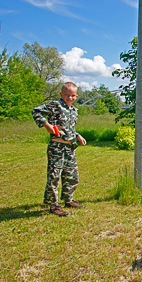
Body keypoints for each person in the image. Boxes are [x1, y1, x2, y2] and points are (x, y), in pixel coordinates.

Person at [32, 82, 87, 216]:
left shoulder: (73, 110)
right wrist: (47, 125)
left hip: (70, 147)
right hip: (57, 146)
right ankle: (54, 205)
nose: (70, 98)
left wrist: (78, 136)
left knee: (72, 176)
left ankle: (68, 199)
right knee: (54, 176)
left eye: (73, 95)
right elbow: (36, 111)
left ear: (76, 96)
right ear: (61, 94)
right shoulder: (55, 105)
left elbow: (69, 128)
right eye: (67, 95)